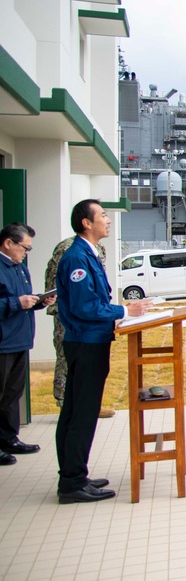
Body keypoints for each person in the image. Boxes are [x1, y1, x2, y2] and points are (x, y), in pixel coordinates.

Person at [54, 200, 151, 503]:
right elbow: (85, 306)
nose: (108, 220)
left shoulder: (88, 255)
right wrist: (125, 309)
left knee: (75, 411)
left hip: (90, 340)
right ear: (86, 223)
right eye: (103, 215)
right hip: (86, 343)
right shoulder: (77, 258)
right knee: (81, 413)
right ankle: (72, 483)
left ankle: (75, 473)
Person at [0, 223, 56, 466]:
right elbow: (12, 302)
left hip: (20, 340)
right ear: (8, 243)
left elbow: (23, 300)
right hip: (3, 342)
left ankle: (9, 438)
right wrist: (17, 303)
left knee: (13, 394)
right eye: (25, 248)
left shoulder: (20, 268)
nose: (26, 253)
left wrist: (39, 302)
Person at [45, 236, 115, 418]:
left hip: (93, 314)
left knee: (89, 368)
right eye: (102, 215)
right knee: (66, 361)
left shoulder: (98, 248)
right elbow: (57, 281)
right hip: (70, 315)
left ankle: (90, 404)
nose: (107, 221)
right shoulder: (69, 250)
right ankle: (66, 405)